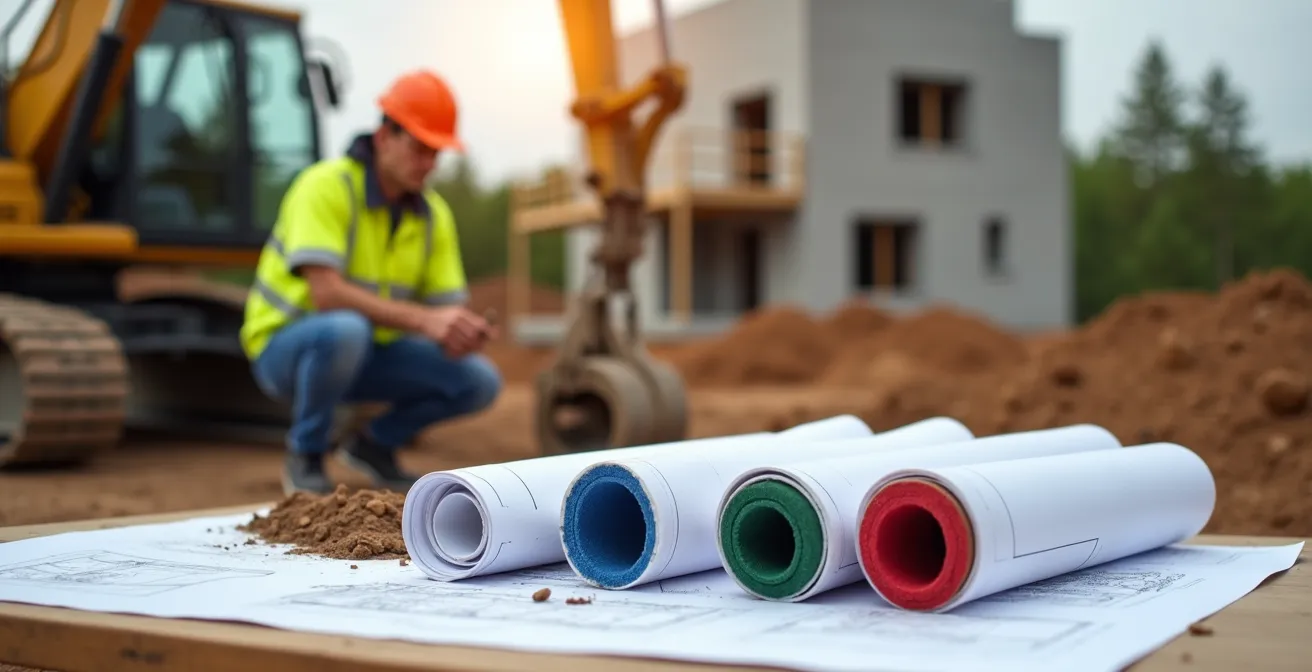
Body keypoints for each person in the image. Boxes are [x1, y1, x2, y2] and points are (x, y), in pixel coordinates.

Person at [239, 70, 502, 495]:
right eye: (420, 148)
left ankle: (373, 446)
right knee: (346, 329)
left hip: (366, 354)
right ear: (384, 137)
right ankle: (305, 455)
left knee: (478, 380)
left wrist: (458, 331)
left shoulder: (434, 215)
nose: (429, 163)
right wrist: (425, 322)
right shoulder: (325, 186)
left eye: (437, 153)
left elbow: (442, 313)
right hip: (284, 349)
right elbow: (326, 294)